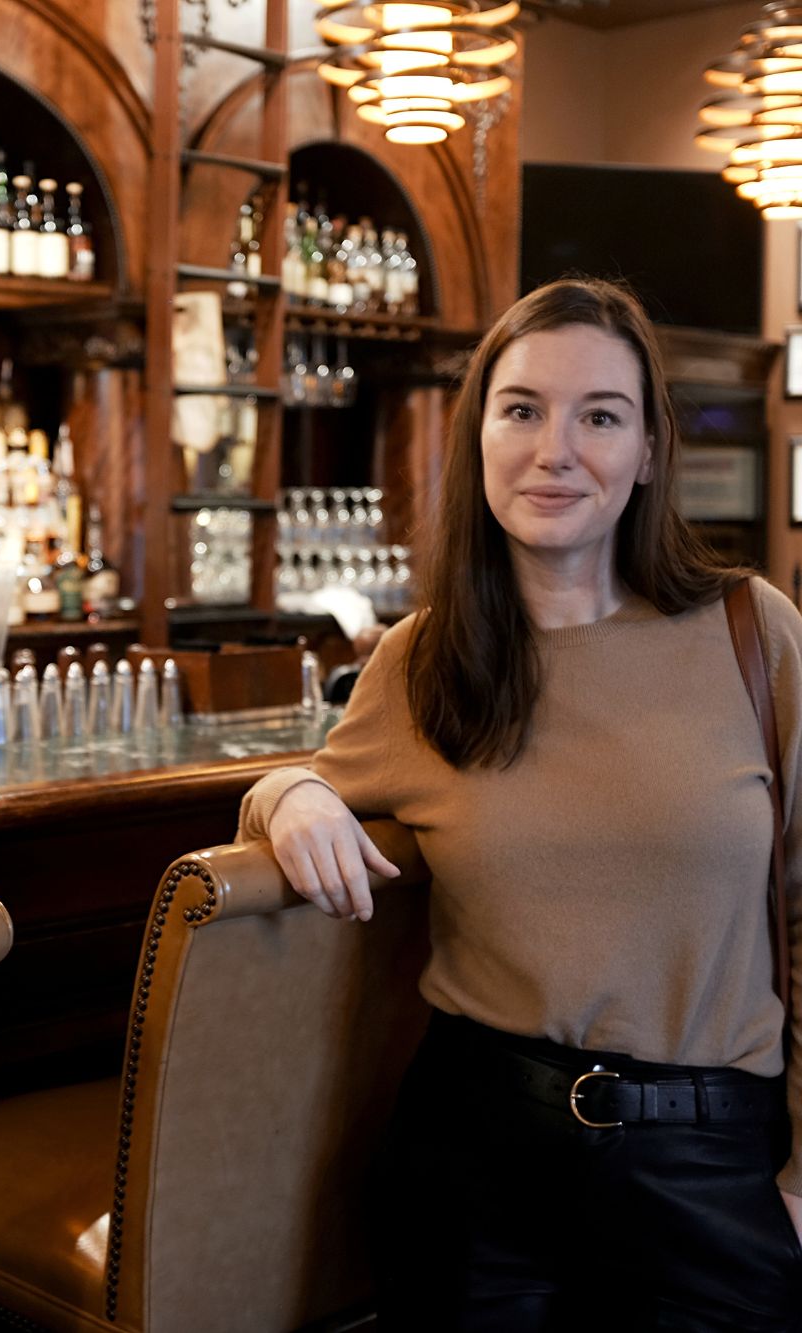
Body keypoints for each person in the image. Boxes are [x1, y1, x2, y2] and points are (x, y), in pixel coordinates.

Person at [235, 278, 802, 1329]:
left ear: (643, 452)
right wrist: (290, 796)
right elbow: (309, 778)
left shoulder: (748, 631)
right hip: (469, 1156)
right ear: (478, 436)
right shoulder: (420, 658)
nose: (555, 449)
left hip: (708, 1158)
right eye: (522, 408)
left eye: (599, 415)